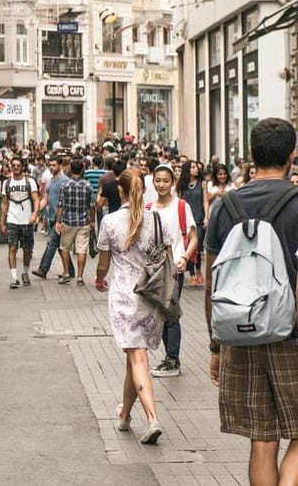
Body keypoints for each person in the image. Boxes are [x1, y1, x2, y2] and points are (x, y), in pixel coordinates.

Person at [205, 118, 298, 483]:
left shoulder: (224, 206)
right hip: (291, 335)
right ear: (292, 155)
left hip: (239, 334)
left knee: (262, 438)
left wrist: (215, 345)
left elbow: (214, 279)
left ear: (250, 155)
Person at [94, 169, 177, 446]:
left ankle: (152, 419)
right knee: (134, 357)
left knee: (137, 358)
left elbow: (103, 264)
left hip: (125, 297)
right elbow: (168, 258)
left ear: (121, 191)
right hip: (152, 298)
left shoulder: (110, 222)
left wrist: (98, 279)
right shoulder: (156, 219)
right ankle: (125, 415)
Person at [147, 165, 197, 378]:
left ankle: (173, 359)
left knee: (171, 313)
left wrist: (185, 258)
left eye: (165, 181)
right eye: (158, 180)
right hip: (155, 270)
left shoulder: (181, 206)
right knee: (163, 313)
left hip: (175, 267)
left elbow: (194, 237)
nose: (161, 184)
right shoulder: (149, 208)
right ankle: (170, 357)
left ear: (173, 182)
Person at [0, 156, 40, 289]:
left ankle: (25, 272)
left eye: (18, 165)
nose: (16, 167)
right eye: (14, 165)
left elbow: (36, 199)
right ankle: (14, 278)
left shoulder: (30, 182)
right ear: (11, 166)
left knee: (27, 249)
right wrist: (2, 222)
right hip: (12, 219)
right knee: (12, 248)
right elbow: (4, 203)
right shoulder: (7, 183)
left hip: (27, 220)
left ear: (22, 167)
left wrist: (34, 214)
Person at [56, 159, 95, 286]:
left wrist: (58, 221)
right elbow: (92, 206)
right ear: (82, 169)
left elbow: (61, 204)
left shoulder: (65, 185)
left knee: (64, 248)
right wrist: (92, 221)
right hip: (83, 222)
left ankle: (66, 273)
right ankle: (79, 277)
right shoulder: (88, 185)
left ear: (71, 170)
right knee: (81, 250)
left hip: (68, 221)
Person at [33, 157, 69, 281]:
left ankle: (43, 269)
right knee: (60, 247)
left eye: (54, 165)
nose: (52, 167)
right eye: (50, 165)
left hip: (61, 219)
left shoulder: (65, 181)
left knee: (51, 244)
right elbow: (45, 199)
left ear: (60, 165)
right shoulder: (51, 180)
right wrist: (36, 212)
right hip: (52, 217)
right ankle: (70, 271)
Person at [177, 160, 206, 288]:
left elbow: (205, 201)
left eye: (196, 167)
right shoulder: (181, 185)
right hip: (186, 220)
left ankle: (198, 269)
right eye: (193, 167)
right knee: (188, 247)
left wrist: (207, 216)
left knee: (197, 247)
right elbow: (178, 201)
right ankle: (193, 275)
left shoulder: (202, 183)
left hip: (199, 218)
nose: (196, 169)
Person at [204, 163, 234, 227]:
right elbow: (207, 201)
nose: (223, 176)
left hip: (227, 216)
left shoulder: (231, 185)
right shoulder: (210, 184)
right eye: (220, 174)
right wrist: (215, 194)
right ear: (216, 175)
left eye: (224, 174)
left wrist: (227, 195)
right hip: (213, 216)